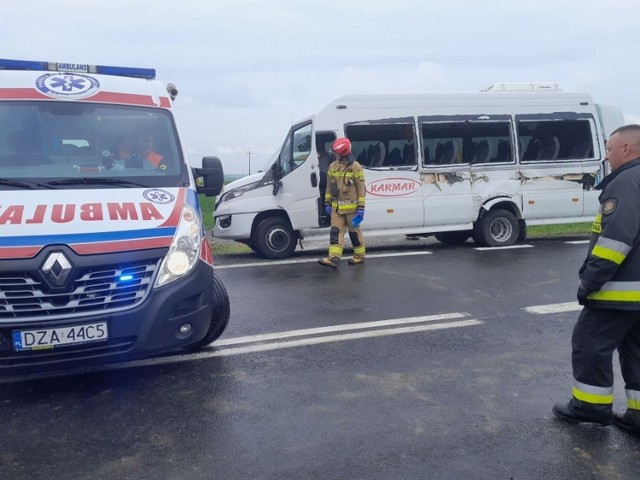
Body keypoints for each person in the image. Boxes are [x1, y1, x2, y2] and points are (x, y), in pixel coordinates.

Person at [553, 124, 640, 434]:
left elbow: (616, 240)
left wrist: (590, 281)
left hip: (620, 291)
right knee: (636, 350)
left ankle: (590, 407)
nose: (607, 155)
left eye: (609, 149)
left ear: (627, 149)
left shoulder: (627, 181)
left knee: (590, 343)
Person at [318, 137, 366, 268]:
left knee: (354, 234)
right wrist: (327, 203)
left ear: (343, 152)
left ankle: (359, 256)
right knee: (335, 233)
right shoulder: (332, 167)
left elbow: (361, 189)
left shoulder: (356, 167)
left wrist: (361, 208)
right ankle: (334, 258)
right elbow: (328, 187)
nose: (334, 154)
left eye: (335, 152)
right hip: (336, 208)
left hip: (352, 209)